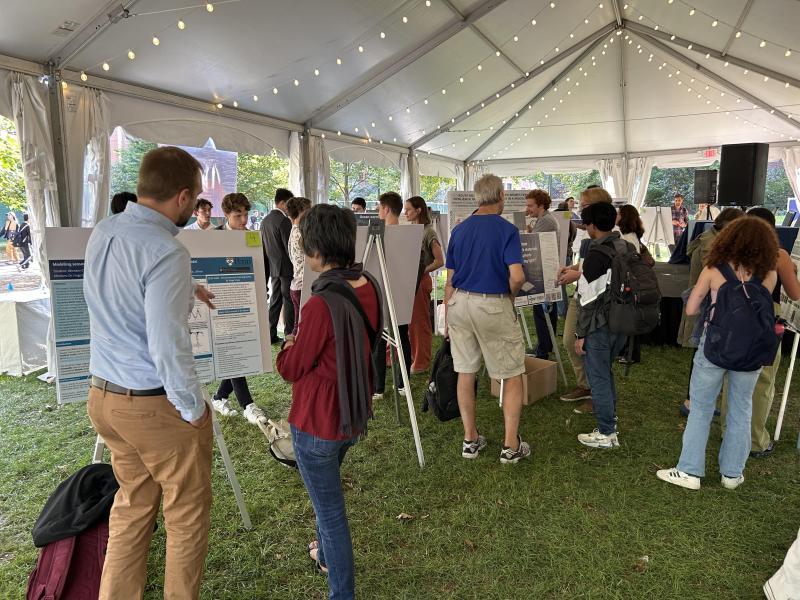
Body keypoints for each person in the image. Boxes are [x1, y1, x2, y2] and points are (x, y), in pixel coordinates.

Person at [84, 146, 215, 599]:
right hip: (152, 404)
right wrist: (194, 408)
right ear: (182, 197)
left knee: (132, 507)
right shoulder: (166, 251)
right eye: (196, 196)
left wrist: (186, 288)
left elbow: (121, 293)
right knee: (186, 517)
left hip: (104, 397)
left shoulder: (105, 231)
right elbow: (167, 345)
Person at [276, 204, 382, 600]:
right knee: (327, 496)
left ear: (317, 249)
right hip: (351, 413)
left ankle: (342, 592)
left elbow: (293, 366)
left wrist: (286, 348)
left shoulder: (320, 303)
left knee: (330, 512)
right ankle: (323, 554)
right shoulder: (367, 282)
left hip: (318, 420)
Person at [657, 217, 778, 491]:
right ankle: (732, 474)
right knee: (741, 410)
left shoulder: (713, 270)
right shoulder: (769, 274)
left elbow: (690, 310)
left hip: (714, 346)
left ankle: (689, 470)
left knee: (700, 408)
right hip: (751, 352)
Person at [445, 173, 530, 463]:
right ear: (501, 197)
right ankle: (510, 445)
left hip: (459, 303)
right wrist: (511, 294)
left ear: (477, 197)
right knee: (511, 372)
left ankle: (470, 440)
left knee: (465, 371)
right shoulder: (506, 230)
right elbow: (517, 275)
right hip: (491, 303)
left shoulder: (459, 229)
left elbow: (450, 279)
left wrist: (448, 311)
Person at [717, 207, 800, 458]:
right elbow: (795, 293)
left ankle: (727, 433)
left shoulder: (730, 253)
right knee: (761, 380)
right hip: (765, 318)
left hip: (731, 316)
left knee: (732, 375)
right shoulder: (778, 255)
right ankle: (753, 440)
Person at [572, 202, 631, 449]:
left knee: (598, 377)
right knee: (604, 373)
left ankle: (607, 433)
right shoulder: (624, 245)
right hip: (622, 319)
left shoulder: (597, 253)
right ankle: (609, 423)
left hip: (600, 324)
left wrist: (580, 334)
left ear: (592, 225)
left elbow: (587, 300)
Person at [676, 207, 745, 415]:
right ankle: (692, 402)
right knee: (702, 354)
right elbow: (718, 271)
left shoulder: (710, 238)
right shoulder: (710, 243)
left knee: (704, 355)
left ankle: (697, 401)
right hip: (706, 306)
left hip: (708, 304)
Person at [210, 193, 268, 425]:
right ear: (225, 215)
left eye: (246, 214)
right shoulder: (213, 237)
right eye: (238, 215)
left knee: (238, 350)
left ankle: (219, 396)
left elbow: (263, 266)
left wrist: (260, 293)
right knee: (233, 351)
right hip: (220, 305)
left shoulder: (252, 237)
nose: (243, 220)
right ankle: (247, 405)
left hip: (247, 302)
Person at [556, 186, 614, 410]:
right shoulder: (592, 237)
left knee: (591, 347)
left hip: (596, 302)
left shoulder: (607, 236)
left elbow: (604, 275)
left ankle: (597, 396)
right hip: (581, 297)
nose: (579, 209)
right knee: (571, 341)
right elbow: (588, 264)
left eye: (583, 205)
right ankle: (587, 386)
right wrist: (571, 269)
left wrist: (576, 275)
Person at [372, 192, 413, 399]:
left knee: (382, 339)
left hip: (387, 293)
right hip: (400, 293)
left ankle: (381, 387)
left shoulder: (382, 235)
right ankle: (400, 384)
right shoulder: (409, 235)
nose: (378, 212)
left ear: (386, 209)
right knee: (399, 337)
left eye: (379, 208)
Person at [404, 196, 444, 374]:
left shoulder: (428, 233)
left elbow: (440, 260)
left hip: (421, 281)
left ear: (418, 210)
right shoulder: (411, 230)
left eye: (409, 209)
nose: (405, 213)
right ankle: (414, 357)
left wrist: (422, 270)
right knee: (411, 322)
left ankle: (421, 362)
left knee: (420, 323)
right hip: (410, 280)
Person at [526, 189, 559, 359]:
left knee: (542, 312)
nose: (528, 209)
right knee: (545, 311)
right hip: (545, 272)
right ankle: (545, 346)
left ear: (540, 205)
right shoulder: (545, 219)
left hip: (544, 273)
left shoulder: (545, 221)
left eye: (530, 205)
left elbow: (531, 242)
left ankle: (543, 349)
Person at [261, 188, 295, 343]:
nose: (290, 208)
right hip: (286, 268)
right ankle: (289, 334)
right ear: (282, 203)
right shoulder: (284, 221)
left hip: (273, 267)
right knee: (289, 300)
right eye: (288, 204)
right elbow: (289, 247)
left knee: (275, 300)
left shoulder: (265, 220)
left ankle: (270, 333)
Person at [616, 205, 647, 364]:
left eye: (618, 214)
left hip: (629, 282)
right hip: (633, 281)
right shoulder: (632, 235)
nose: (616, 216)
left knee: (629, 319)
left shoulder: (626, 238)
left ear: (623, 216)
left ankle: (630, 354)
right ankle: (629, 353)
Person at [287, 196, 312, 337]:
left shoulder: (295, 230)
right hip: (303, 284)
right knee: (301, 326)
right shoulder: (300, 233)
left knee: (299, 324)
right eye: (308, 210)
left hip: (297, 283)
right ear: (301, 211)